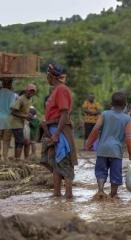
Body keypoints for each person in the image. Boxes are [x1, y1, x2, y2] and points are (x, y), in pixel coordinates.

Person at [85, 92, 131, 198]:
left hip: (102, 149)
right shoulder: (127, 119)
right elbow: (129, 137)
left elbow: (95, 130)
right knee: (116, 174)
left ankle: (100, 191)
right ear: (125, 105)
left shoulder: (104, 114)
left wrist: (88, 144)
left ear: (111, 103)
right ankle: (113, 194)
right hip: (116, 151)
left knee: (100, 171)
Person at [42, 63, 77, 199]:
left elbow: (64, 114)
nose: (46, 77)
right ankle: (56, 193)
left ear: (51, 76)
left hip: (60, 133)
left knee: (65, 162)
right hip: (54, 131)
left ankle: (68, 195)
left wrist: (56, 134)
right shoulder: (56, 90)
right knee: (56, 163)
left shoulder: (61, 89)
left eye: (47, 75)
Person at [9, 84, 37, 161]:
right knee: (20, 142)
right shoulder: (21, 99)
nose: (31, 93)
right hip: (15, 123)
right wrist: (25, 116)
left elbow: (24, 111)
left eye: (33, 91)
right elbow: (13, 112)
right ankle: (17, 160)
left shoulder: (30, 99)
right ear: (26, 90)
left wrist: (29, 114)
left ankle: (17, 159)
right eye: (30, 91)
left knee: (20, 142)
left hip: (22, 123)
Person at [0, 79, 16, 162]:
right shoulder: (11, 94)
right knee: (6, 140)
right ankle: (5, 157)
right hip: (7, 120)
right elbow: (12, 108)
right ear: (10, 83)